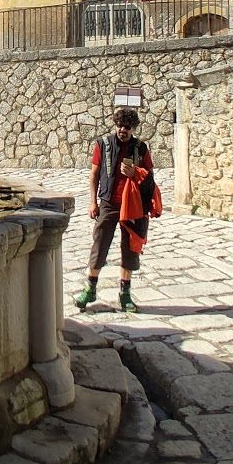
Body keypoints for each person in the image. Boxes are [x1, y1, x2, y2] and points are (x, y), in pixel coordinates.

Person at [76, 107, 162, 314]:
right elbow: (94, 175)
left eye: (127, 127)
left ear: (133, 128)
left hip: (133, 205)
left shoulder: (141, 148)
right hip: (108, 203)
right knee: (100, 244)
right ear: (115, 125)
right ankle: (90, 289)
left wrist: (136, 172)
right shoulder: (103, 145)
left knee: (130, 248)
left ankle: (125, 295)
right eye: (120, 125)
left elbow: (150, 177)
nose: (122, 129)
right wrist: (92, 202)